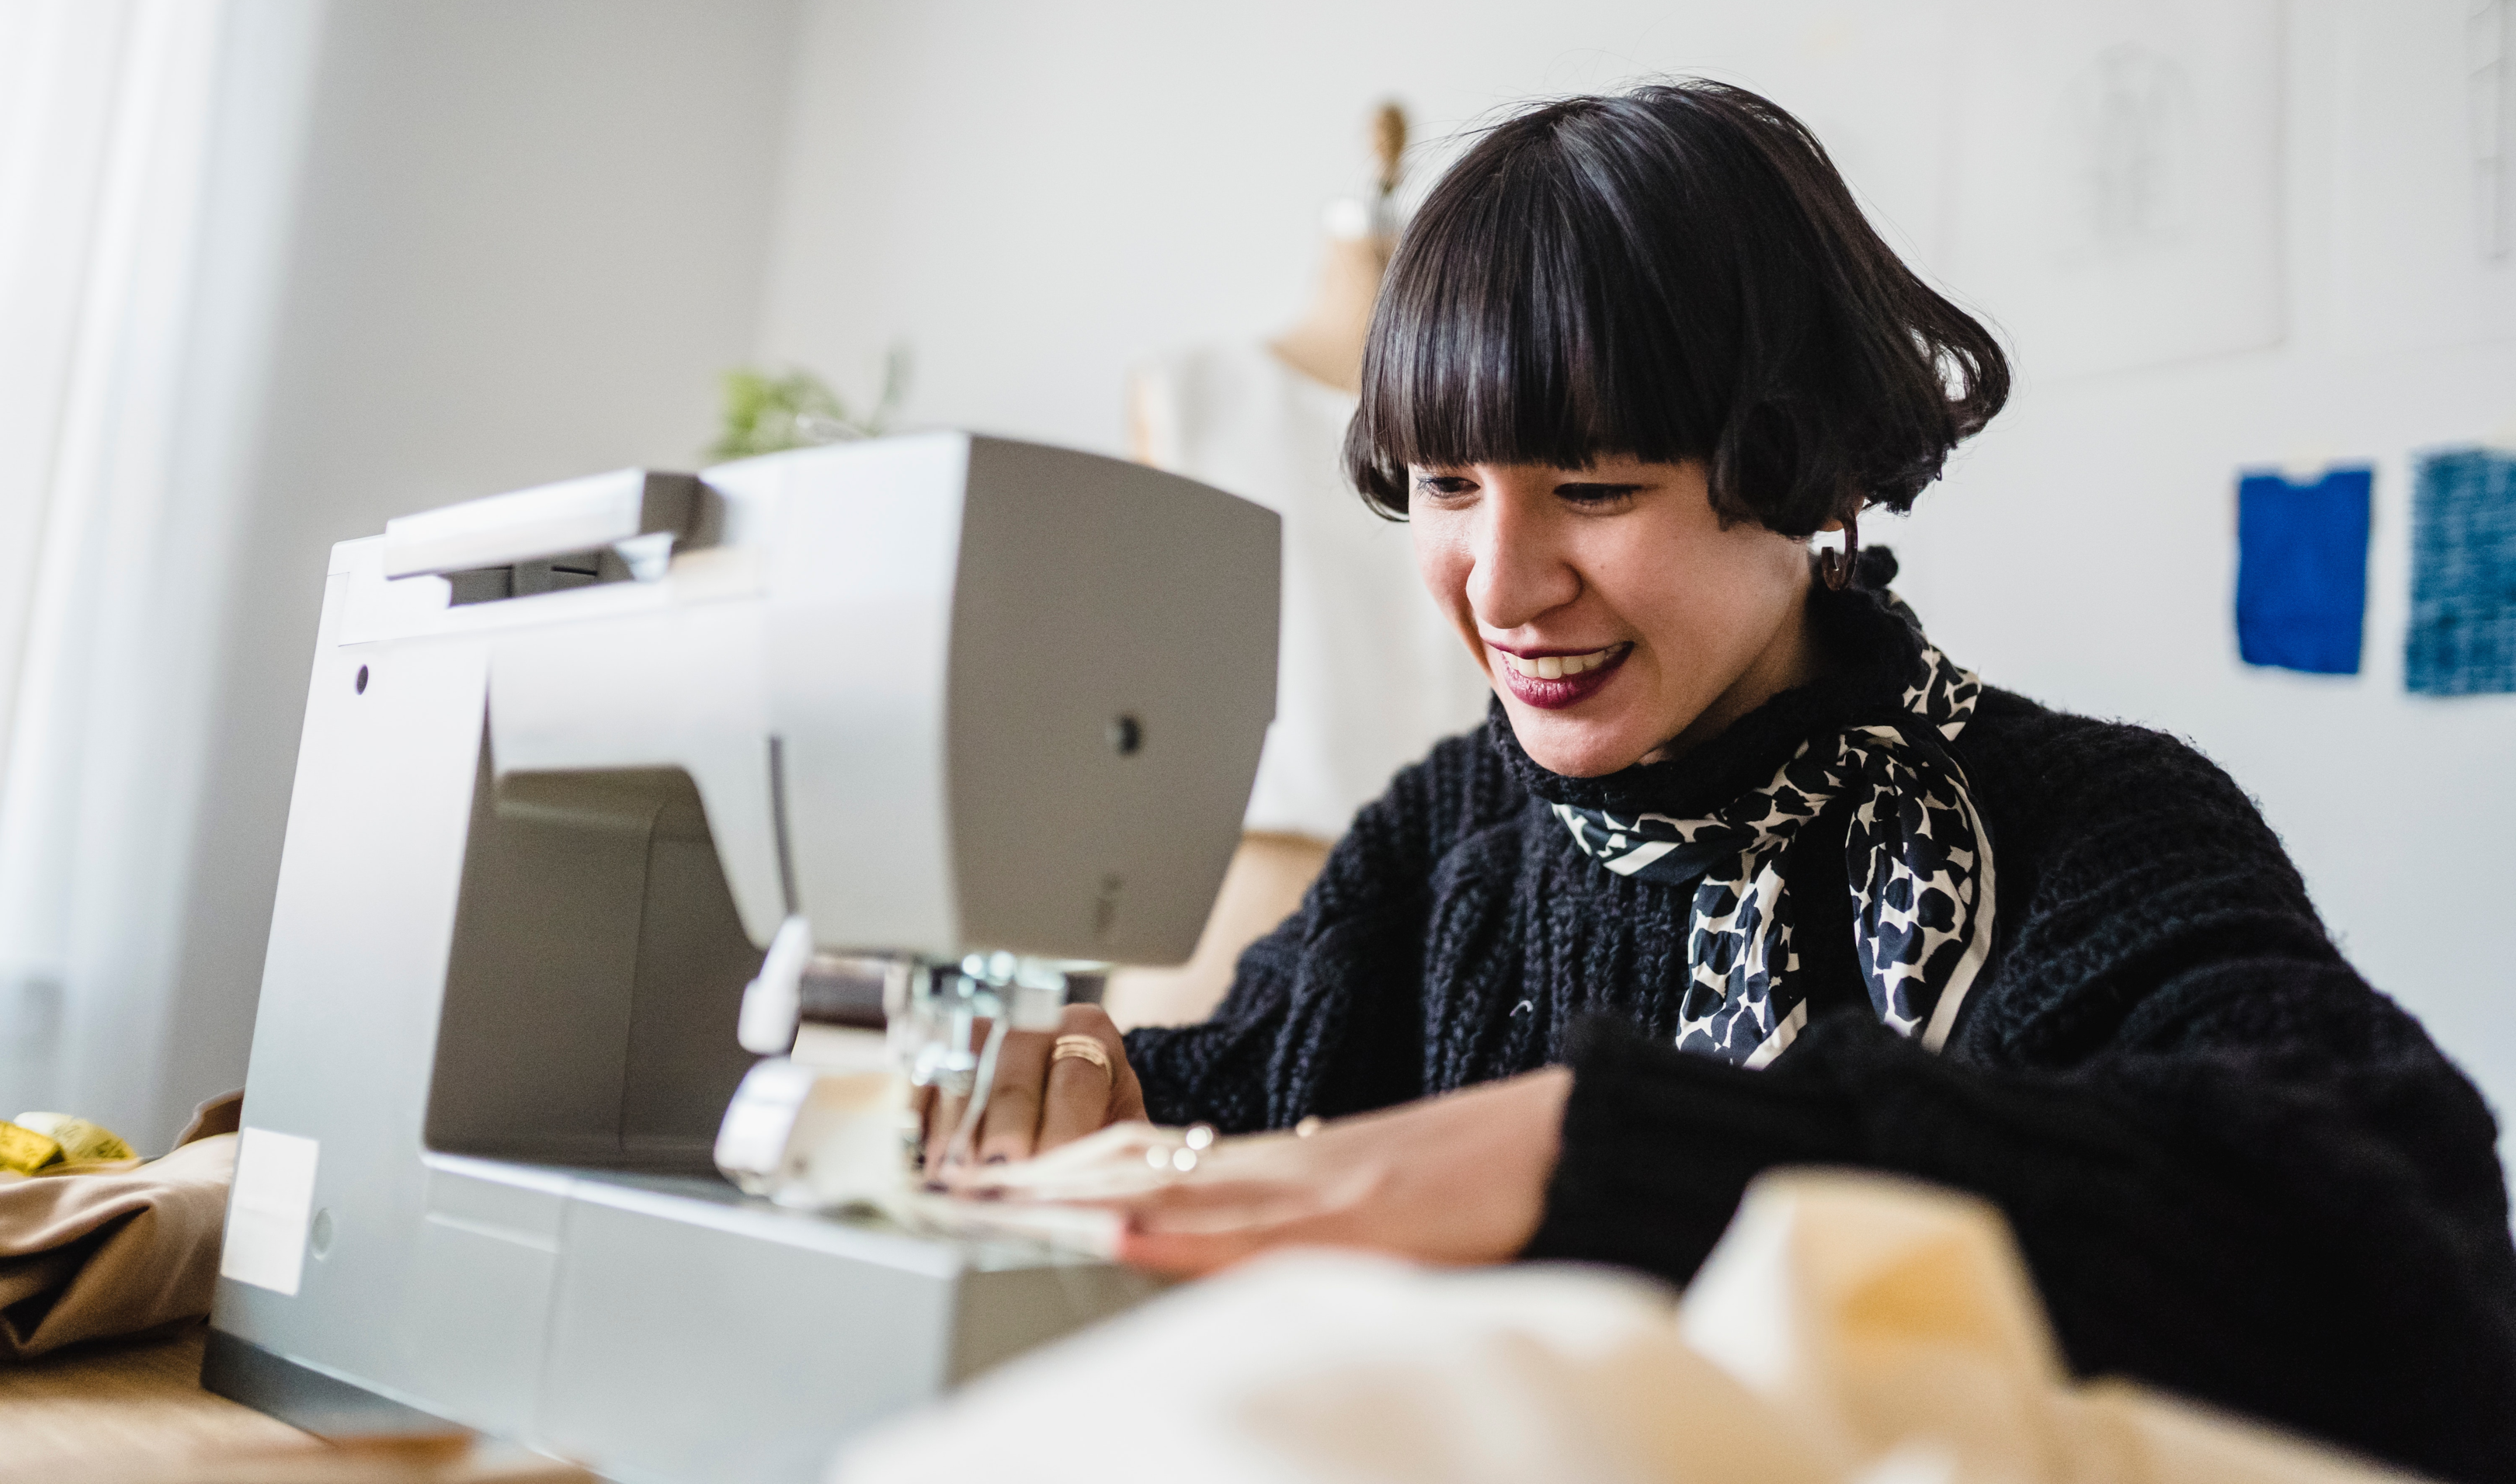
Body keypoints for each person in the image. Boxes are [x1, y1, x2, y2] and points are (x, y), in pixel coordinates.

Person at [930, 81, 2516, 1484]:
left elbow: (2413, 1278)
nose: (1500, 587)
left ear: (1809, 474)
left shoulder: (2087, 828)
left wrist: (1615, 1151)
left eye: (1598, 488)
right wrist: (1094, 1089)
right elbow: (1236, 1110)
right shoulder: (1445, 839)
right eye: (1445, 489)